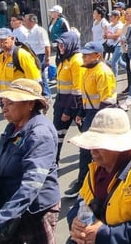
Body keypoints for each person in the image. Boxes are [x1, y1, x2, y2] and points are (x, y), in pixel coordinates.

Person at [67, 108, 131, 244]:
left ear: (118, 147)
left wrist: (103, 234)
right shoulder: (96, 168)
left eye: (99, 145)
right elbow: (82, 200)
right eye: (92, 144)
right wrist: (74, 219)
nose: (93, 151)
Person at [0, 79, 61, 243]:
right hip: (12, 206)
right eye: (3, 103)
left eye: (10, 103)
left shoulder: (39, 134)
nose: (4, 108)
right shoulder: (13, 126)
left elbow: (31, 185)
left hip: (36, 210)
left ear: (30, 104)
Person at [64, 42, 117, 200]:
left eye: (87, 54)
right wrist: (81, 112)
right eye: (83, 54)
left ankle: (87, 183)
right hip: (90, 114)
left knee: (91, 151)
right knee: (90, 152)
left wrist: (94, 122)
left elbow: (107, 101)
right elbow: (85, 95)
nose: (83, 57)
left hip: (100, 116)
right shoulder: (87, 70)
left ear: (97, 56)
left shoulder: (103, 73)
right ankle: (89, 181)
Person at [53, 31, 84, 163]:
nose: (61, 48)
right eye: (59, 45)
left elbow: (77, 90)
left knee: (86, 136)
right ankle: (53, 162)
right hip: (61, 103)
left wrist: (67, 111)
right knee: (55, 136)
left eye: (63, 45)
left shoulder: (77, 61)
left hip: (74, 106)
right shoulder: (64, 59)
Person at [0, 27, 42, 103]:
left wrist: (35, 100)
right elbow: (1, 79)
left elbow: (35, 80)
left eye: (3, 40)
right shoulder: (1, 56)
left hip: (20, 99)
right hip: (6, 99)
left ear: (12, 38)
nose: (1, 43)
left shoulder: (21, 54)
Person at [24, 14, 52, 98]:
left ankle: (46, 94)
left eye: (26, 21)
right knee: (38, 76)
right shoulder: (29, 32)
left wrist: (47, 59)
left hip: (41, 56)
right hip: (33, 56)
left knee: (40, 76)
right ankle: (41, 93)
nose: (24, 23)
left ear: (32, 21)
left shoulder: (40, 31)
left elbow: (47, 46)